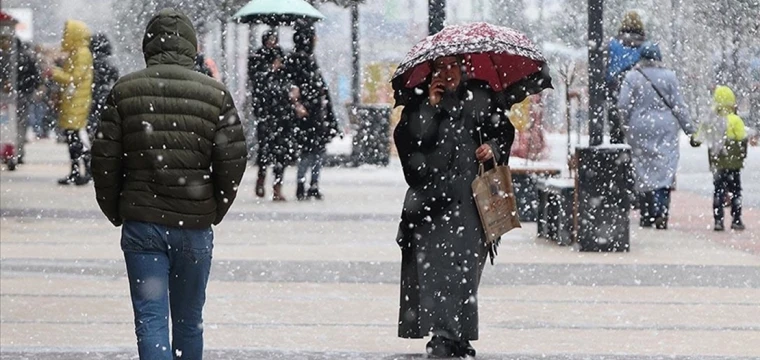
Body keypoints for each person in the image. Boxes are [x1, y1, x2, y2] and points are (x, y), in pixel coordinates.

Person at [91, 9, 247, 360]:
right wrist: (213, 206)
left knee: (150, 320)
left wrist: (117, 208)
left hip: (142, 224)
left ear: (148, 46)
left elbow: (103, 159)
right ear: (192, 47)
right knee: (189, 321)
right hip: (193, 226)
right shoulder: (216, 94)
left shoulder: (124, 91)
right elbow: (233, 159)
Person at [394, 55, 514, 357]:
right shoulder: (419, 104)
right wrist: (431, 108)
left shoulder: (482, 96)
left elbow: (504, 131)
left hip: (473, 202)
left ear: (463, 67)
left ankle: (459, 335)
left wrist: (494, 149)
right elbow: (411, 147)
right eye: (439, 68)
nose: (447, 73)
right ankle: (443, 335)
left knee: (466, 272)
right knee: (436, 271)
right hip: (431, 205)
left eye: (452, 66)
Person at [617, 42, 697, 230]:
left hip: (639, 127)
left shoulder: (632, 76)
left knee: (643, 169)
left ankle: (647, 213)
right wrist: (689, 130)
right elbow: (678, 105)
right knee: (665, 168)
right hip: (666, 127)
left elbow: (623, 104)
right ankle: (662, 211)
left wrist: (626, 125)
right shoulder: (669, 77)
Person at [287, 23, 339, 200]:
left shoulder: (302, 58)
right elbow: (309, 86)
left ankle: (306, 185)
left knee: (310, 151)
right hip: (311, 114)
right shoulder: (303, 59)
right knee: (313, 152)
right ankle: (309, 185)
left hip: (311, 114)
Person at [692, 85, 747, 231]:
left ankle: (718, 220)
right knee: (736, 191)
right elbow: (742, 139)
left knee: (718, 190)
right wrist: (741, 155)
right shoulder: (735, 120)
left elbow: (697, 139)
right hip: (734, 164)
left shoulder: (712, 121)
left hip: (718, 163)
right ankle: (736, 218)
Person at [48, 20, 94, 185]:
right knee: (72, 137)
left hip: (77, 102)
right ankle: (77, 171)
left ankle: (85, 170)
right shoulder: (77, 52)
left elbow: (74, 78)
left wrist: (54, 73)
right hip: (72, 101)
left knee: (75, 138)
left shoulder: (81, 53)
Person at [249, 49, 297, 201]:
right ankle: (262, 179)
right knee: (265, 154)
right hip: (268, 121)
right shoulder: (263, 77)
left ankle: (277, 187)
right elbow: (265, 95)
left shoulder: (284, 76)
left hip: (281, 122)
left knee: (280, 156)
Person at [606, 10, 647, 145]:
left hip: (615, 88)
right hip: (638, 90)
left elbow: (607, 68)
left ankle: (617, 156)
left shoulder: (613, 44)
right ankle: (635, 156)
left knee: (616, 126)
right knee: (638, 128)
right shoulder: (645, 46)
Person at [88, 33, 119, 142]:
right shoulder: (109, 63)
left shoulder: (90, 63)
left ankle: (93, 140)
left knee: (92, 121)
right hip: (105, 94)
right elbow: (116, 79)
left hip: (91, 94)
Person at [15, 38, 40, 164]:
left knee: (10, 124)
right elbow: (35, 77)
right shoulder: (27, 58)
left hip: (10, 96)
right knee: (21, 124)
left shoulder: (9, 58)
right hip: (24, 95)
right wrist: (30, 90)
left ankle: (11, 149)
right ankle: (18, 151)